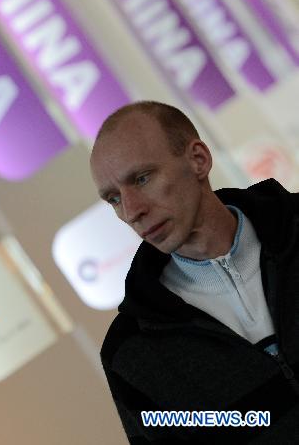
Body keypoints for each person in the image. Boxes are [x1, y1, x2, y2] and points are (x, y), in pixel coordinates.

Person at [89, 101, 299, 443]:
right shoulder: (130, 354)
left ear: (198, 159)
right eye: (113, 199)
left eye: (142, 179)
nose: (132, 211)